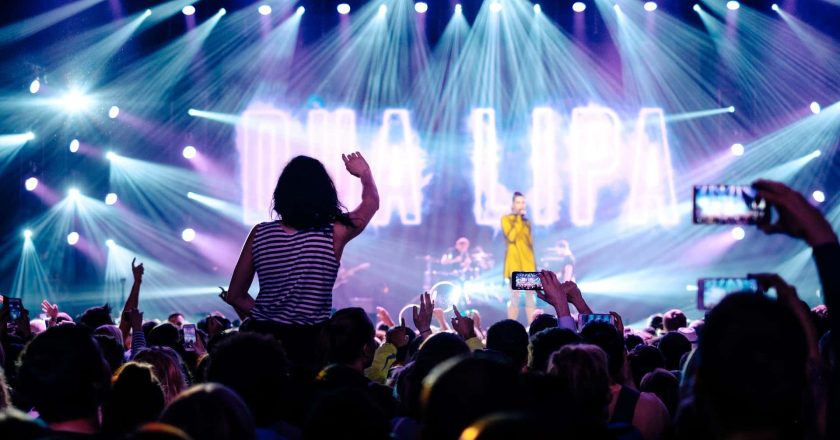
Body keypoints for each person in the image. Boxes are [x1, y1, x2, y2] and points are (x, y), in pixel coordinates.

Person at [223, 152, 379, 368]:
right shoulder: (334, 233)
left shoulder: (260, 233)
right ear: (324, 193)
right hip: (311, 346)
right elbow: (371, 203)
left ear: (282, 193)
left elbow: (235, 296)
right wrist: (365, 174)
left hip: (262, 343)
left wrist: (269, 317)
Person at [502, 192, 536, 322]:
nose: (521, 205)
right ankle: (512, 325)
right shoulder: (506, 219)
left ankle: (532, 326)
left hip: (528, 264)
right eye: (518, 202)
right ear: (512, 204)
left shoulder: (527, 222)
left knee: (530, 298)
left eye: (523, 202)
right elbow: (511, 237)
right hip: (514, 264)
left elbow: (529, 244)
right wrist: (517, 219)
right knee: (514, 297)